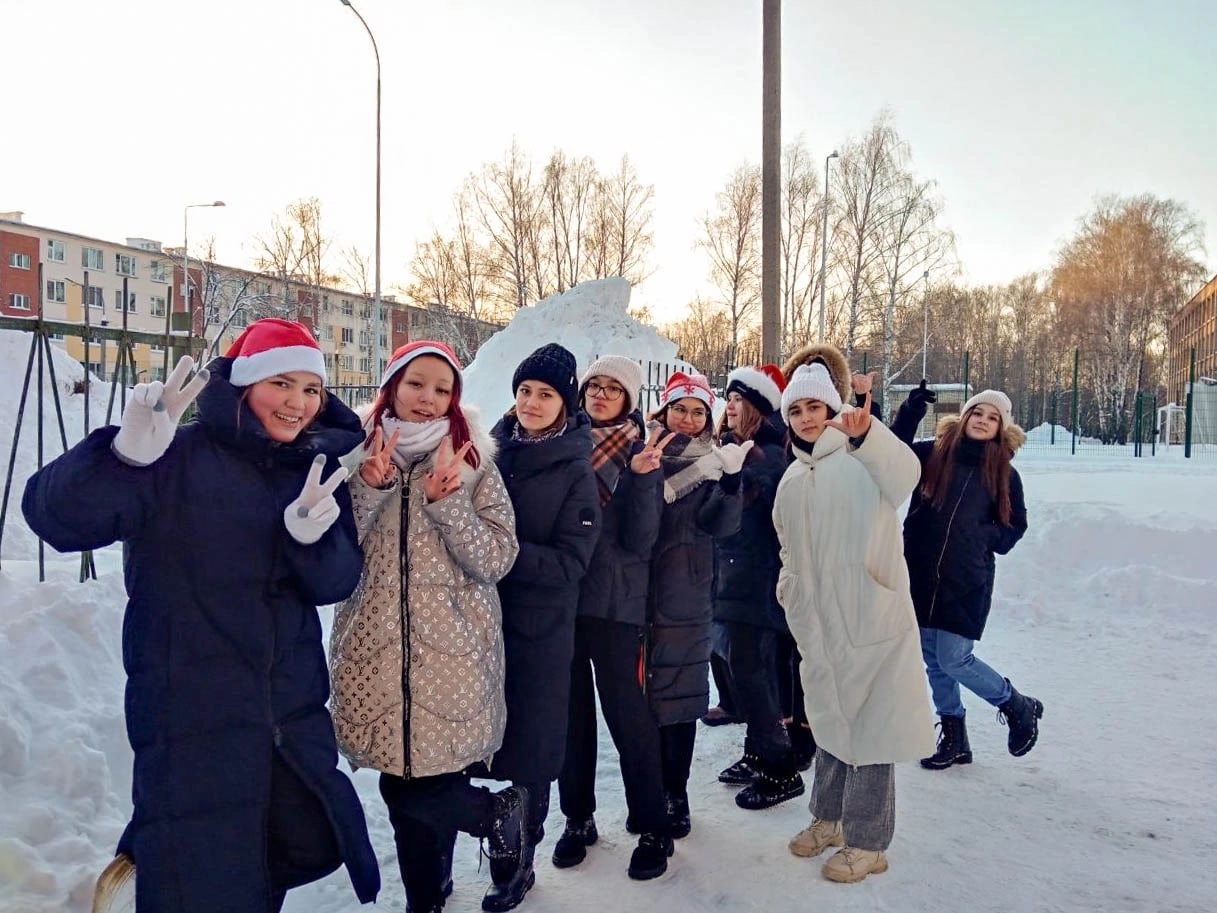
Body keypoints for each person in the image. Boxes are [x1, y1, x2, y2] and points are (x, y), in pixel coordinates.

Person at [22, 318, 380, 912]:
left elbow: (334, 584)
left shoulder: (312, 470)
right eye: (281, 384)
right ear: (243, 386)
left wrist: (312, 539)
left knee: (267, 866)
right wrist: (123, 459)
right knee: (198, 877)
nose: (297, 403)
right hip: (191, 721)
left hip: (286, 723)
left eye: (311, 390)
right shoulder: (172, 455)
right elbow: (56, 520)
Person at [329, 340, 525, 913]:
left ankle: (433, 889)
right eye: (416, 383)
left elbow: (496, 558)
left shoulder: (473, 461)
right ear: (392, 386)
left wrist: (450, 504)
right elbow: (333, 554)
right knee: (404, 782)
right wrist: (370, 488)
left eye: (443, 389)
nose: (428, 398)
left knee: (423, 781)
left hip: (452, 654)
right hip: (377, 649)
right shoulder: (355, 456)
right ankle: (476, 833)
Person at [773, 355, 935, 884]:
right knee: (830, 719)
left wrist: (868, 435)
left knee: (872, 727)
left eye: (814, 406)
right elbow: (787, 547)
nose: (806, 418)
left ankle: (868, 842)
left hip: (870, 616)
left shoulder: (860, 456)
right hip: (818, 625)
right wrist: (790, 590)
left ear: (832, 408)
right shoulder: (792, 478)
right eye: (796, 410)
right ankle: (830, 818)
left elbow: (906, 475)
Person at [486, 344, 601, 909]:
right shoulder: (491, 451)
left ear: (566, 403)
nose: (532, 402)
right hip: (481, 623)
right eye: (525, 391)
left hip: (540, 629)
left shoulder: (576, 469)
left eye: (546, 394)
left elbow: (572, 562)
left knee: (530, 748)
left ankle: (518, 859)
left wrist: (503, 553)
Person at [553, 355, 675, 881]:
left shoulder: (639, 451)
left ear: (629, 399)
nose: (601, 395)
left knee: (629, 718)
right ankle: (577, 818)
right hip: (565, 602)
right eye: (594, 386)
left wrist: (642, 480)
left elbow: (641, 539)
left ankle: (652, 825)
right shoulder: (563, 443)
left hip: (617, 606)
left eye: (613, 388)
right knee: (571, 718)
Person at [891, 387, 1039, 769]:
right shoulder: (932, 454)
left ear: (1001, 428)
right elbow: (892, 452)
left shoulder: (1004, 473)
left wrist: (982, 536)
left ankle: (1015, 704)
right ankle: (955, 737)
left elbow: (1015, 526)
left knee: (955, 659)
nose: (983, 421)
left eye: (992, 418)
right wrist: (910, 411)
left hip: (966, 579)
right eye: (978, 413)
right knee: (933, 659)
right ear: (965, 416)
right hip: (920, 573)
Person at [646, 371, 745, 838]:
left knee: (682, 701)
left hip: (687, 597)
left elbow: (721, 525)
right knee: (640, 704)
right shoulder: (642, 453)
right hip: (637, 596)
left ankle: (675, 793)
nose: (687, 419)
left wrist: (731, 485)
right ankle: (648, 791)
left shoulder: (713, 464)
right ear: (665, 411)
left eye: (697, 411)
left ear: (708, 417)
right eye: (679, 409)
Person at [712, 364, 807, 810]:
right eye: (729, 398)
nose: (729, 407)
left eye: (738, 400)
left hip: (757, 579)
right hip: (737, 576)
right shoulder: (739, 446)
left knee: (752, 673)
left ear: (758, 408)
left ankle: (780, 768)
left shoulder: (766, 454)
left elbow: (757, 513)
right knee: (745, 668)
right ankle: (757, 753)